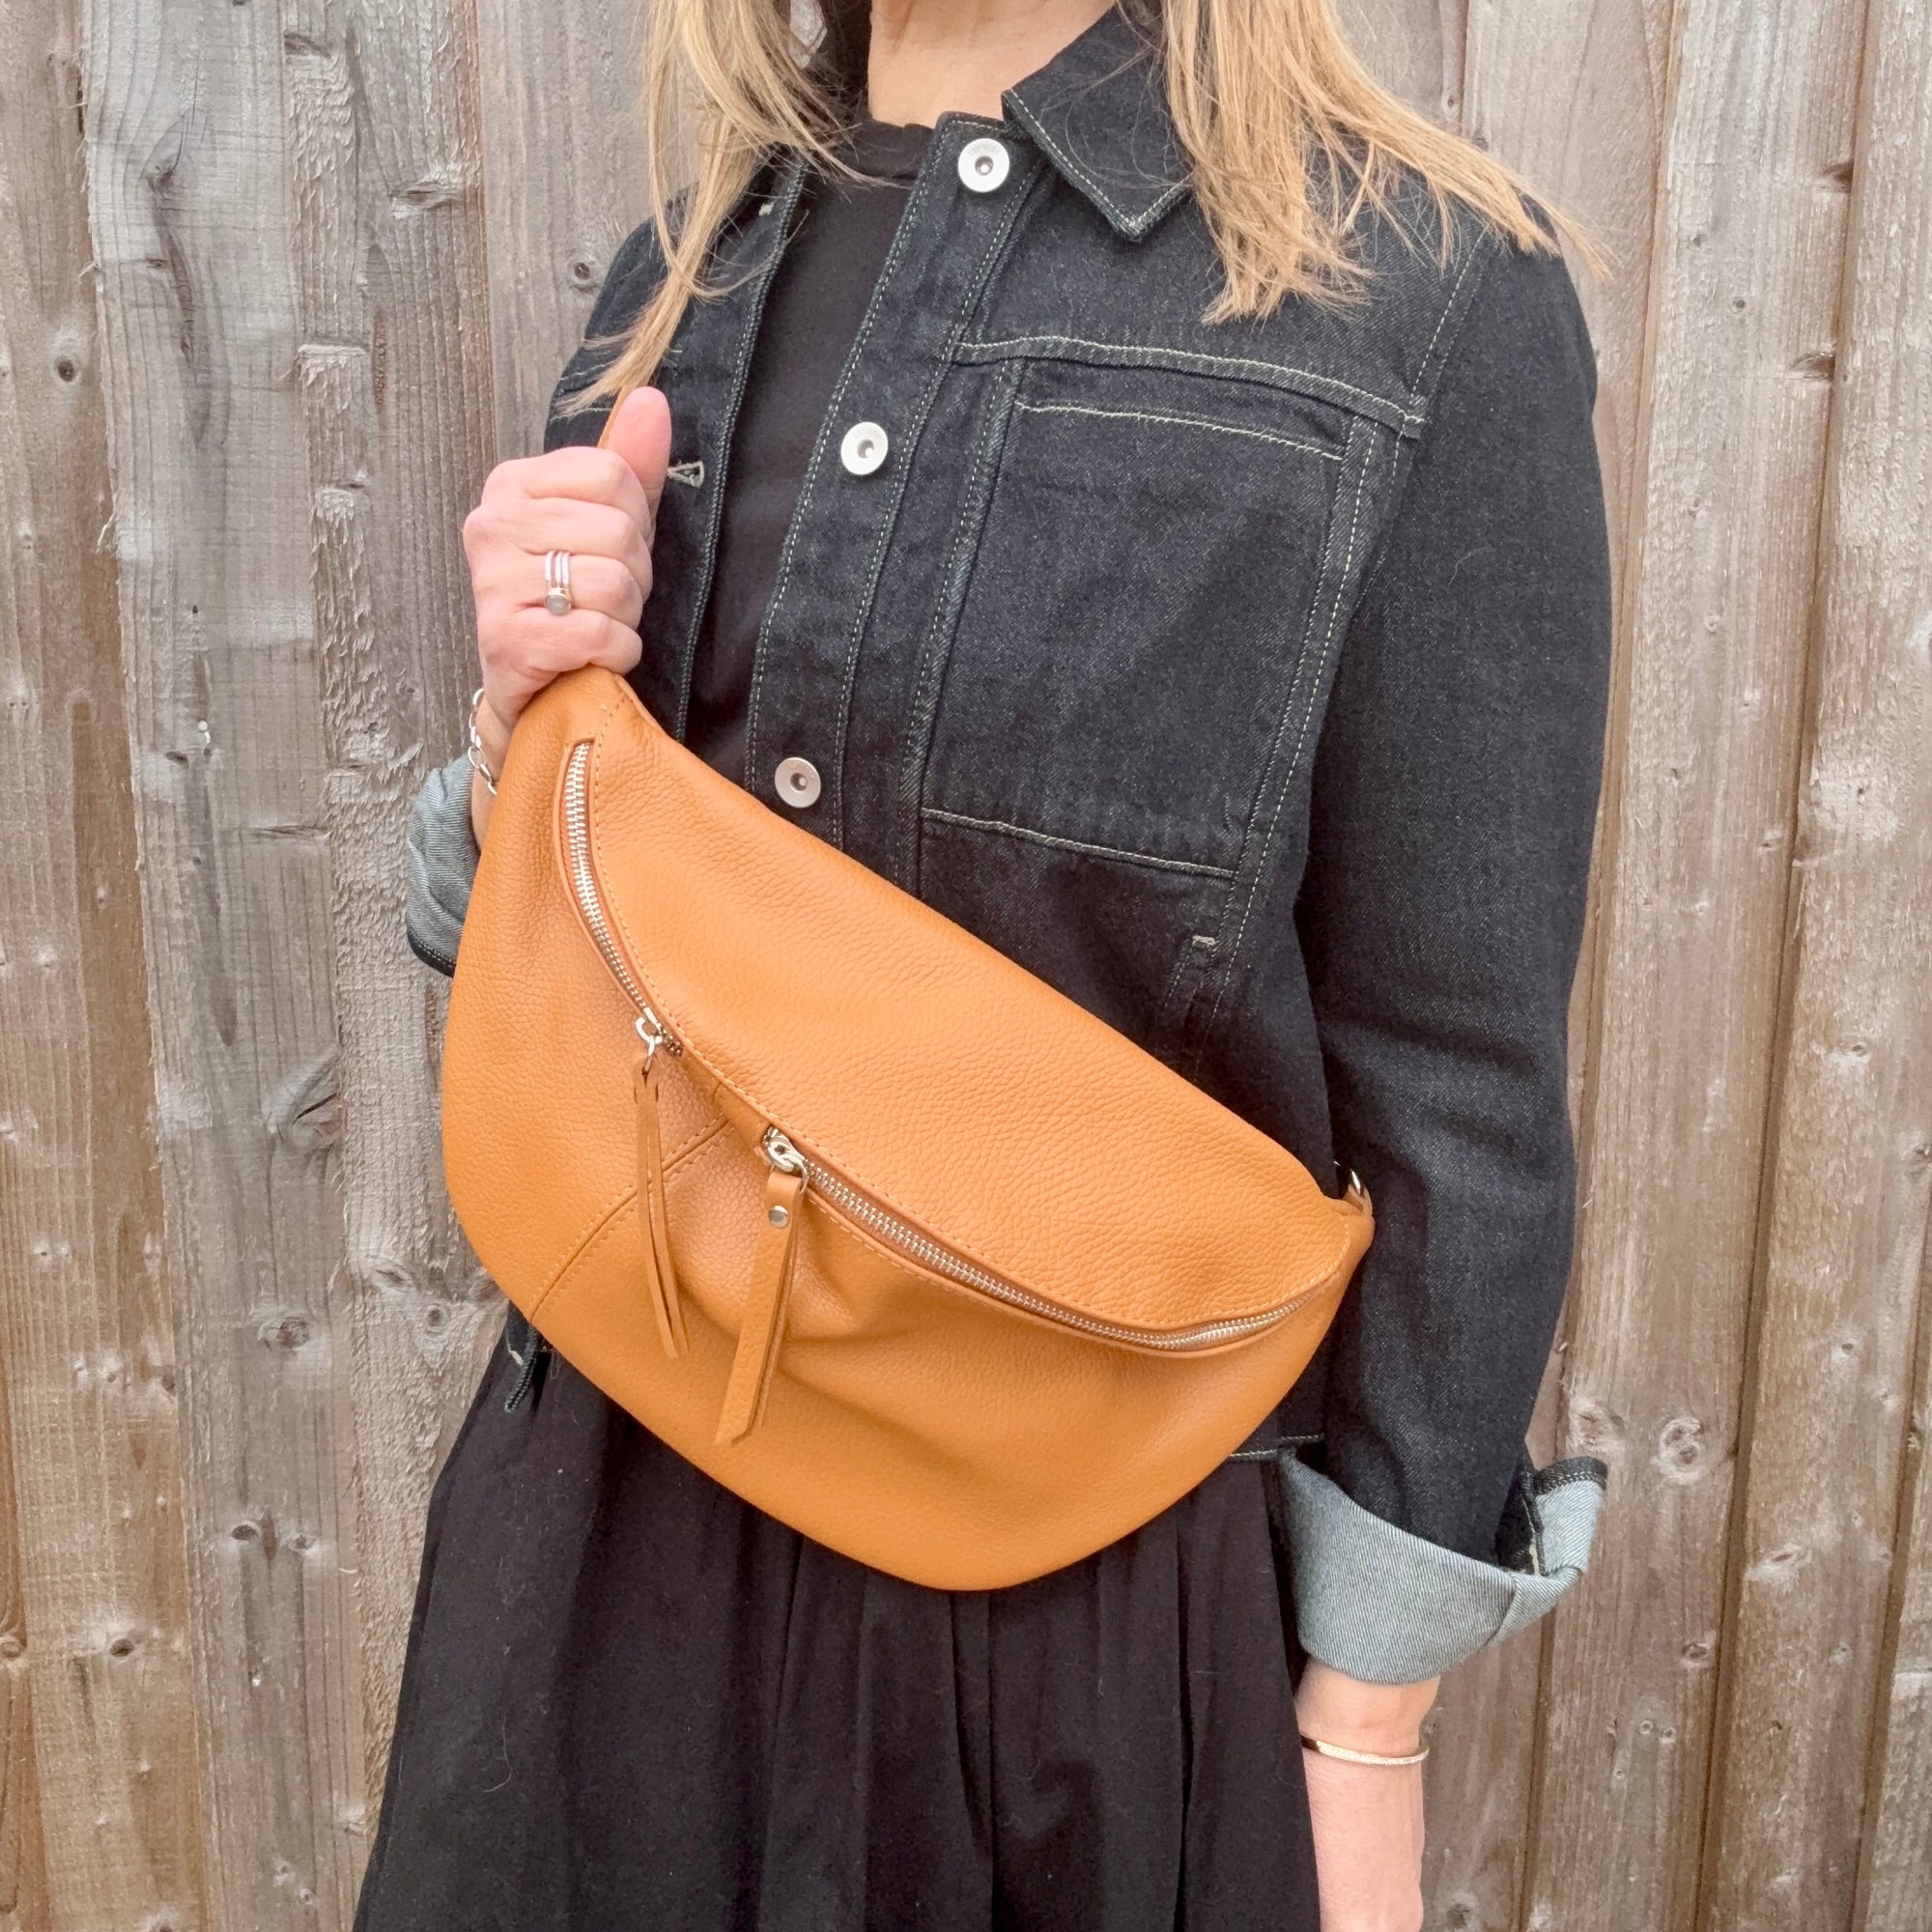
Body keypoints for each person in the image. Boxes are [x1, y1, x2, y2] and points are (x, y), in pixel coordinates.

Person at [360, 2, 1612, 1926]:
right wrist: (519, 722)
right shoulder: (685, 271)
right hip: (609, 1522)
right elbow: (548, 930)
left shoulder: (1420, 292)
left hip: (1072, 1616)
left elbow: (1458, 1080)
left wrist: (1365, 1724)